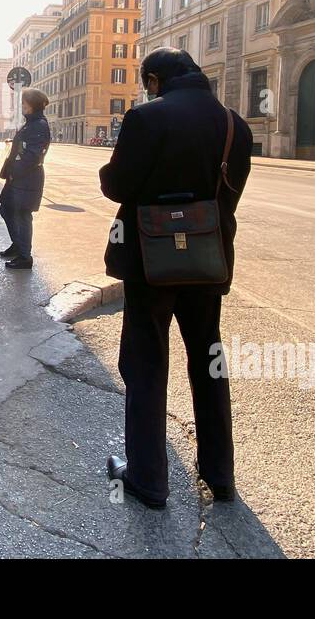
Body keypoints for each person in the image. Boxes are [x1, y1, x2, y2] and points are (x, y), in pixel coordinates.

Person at [98, 47, 252, 507]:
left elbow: (118, 186)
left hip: (151, 259)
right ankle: (219, 475)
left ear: (153, 80)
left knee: (145, 363)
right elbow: (232, 192)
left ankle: (148, 479)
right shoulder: (233, 124)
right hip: (207, 258)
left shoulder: (146, 119)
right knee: (209, 360)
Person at [0, 87, 51, 270]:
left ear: (32, 105)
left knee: (22, 215)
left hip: (27, 178)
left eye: (24, 103)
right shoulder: (31, 123)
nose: (22, 106)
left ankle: (25, 257)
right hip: (19, 178)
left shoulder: (39, 125)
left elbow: (32, 156)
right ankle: (18, 245)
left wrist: (14, 172)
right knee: (6, 209)